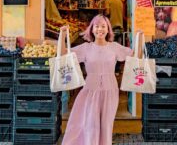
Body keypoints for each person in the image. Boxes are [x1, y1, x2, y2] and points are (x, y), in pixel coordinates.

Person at [60, 15, 143, 145]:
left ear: (108, 29)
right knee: (90, 125)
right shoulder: (86, 48)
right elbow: (63, 55)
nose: (100, 29)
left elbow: (136, 57)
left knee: (106, 127)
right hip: (90, 90)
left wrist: (140, 38)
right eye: (97, 26)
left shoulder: (114, 47)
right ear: (92, 29)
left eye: (103, 26)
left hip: (110, 91)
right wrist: (62, 35)